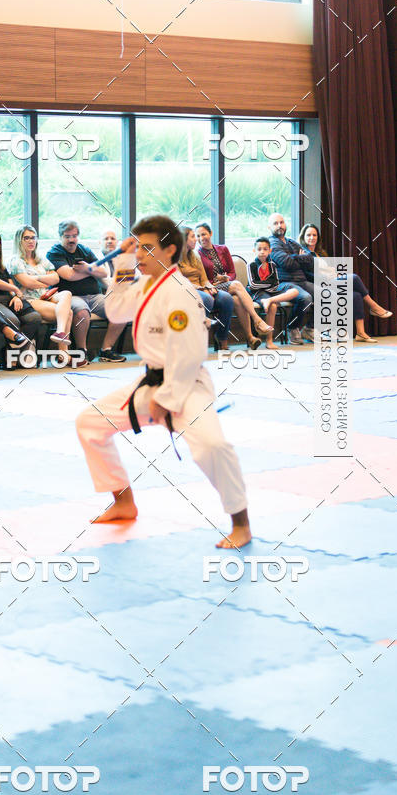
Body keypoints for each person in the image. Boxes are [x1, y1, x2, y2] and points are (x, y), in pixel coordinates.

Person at [75, 214, 252, 549]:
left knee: (213, 447)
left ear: (170, 250)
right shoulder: (145, 284)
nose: (140, 254)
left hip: (185, 386)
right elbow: (116, 311)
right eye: (138, 248)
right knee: (90, 423)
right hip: (151, 382)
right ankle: (123, 501)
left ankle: (240, 523)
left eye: (147, 248)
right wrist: (125, 261)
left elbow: (188, 354)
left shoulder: (180, 293)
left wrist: (167, 400)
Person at [47, 220, 126, 362]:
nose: (71, 240)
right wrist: (91, 270)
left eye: (74, 236)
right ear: (60, 237)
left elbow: (103, 272)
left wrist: (86, 268)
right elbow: (69, 275)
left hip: (95, 296)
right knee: (82, 312)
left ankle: (106, 350)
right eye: (67, 236)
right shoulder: (55, 252)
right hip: (71, 296)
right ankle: (81, 350)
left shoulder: (85, 250)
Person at [298, 223, 392, 343]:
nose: (312, 237)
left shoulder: (320, 253)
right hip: (321, 284)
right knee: (354, 278)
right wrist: (326, 277)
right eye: (309, 235)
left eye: (314, 235)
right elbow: (307, 274)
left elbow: (327, 269)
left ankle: (361, 333)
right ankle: (374, 306)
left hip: (332, 280)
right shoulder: (303, 253)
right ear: (303, 237)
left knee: (356, 295)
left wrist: (335, 275)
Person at [195, 222, 271, 350]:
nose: (201, 238)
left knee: (236, 299)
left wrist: (226, 278)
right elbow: (202, 278)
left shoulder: (223, 249)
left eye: (204, 234)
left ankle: (250, 337)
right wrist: (215, 282)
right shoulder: (198, 255)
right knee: (236, 285)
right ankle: (257, 320)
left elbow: (232, 272)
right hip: (212, 288)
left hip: (226, 284)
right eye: (198, 236)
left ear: (211, 233)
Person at [9, 225, 73, 349]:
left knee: (67, 293)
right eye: (26, 238)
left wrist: (35, 278)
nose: (31, 241)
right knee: (68, 313)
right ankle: (63, 352)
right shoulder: (15, 260)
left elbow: (56, 278)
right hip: (29, 299)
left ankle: (60, 332)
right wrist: (44, 280)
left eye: (33, 238)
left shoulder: (40, 259)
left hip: (45, 296)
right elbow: (27, 283)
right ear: (19, 241)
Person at [0, 230, 42, 353]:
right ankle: (12, 352)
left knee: (34, 317)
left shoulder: (1, 266)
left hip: (8, 299)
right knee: (13, 320)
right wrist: (14, 289)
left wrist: (16, 296)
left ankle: (12, 349)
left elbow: (11, 285)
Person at [179, 226, 234, 351]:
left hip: (202, 288)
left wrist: (209, 286)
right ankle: (196, 339)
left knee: (227, 298)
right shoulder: (174, 259)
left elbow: (204, 278)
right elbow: (180, 282)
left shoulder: (195, 256)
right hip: (187, 291)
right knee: (207, 299)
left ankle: (221, 337)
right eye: (193, 237)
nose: (196, 240)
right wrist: (203, 288)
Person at [267, 212, 315, 345]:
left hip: (302, 281)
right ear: (269, 227)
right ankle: (292, 328)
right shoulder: (271, 243)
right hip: (284, 283)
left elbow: (310, 259)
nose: (279, 226)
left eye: (281, 222)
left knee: (328, 295)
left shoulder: (291, 242)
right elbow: (286, 263)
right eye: (275, 223)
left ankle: (309, 328)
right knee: (305, 298)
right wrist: (299, 258)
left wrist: (294, 257)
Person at [248, 237, 300, 349]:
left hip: (272, 293)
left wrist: (268, 284)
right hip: (258, 293)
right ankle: (269, 340)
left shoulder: (272, 265)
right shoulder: (251, 265)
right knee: (272, 307)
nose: (262, 251)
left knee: (295, 291)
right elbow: (253, 285)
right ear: (254, 250)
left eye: (265, 249)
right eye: (259, 249)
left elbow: (276, 283)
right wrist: (269, 283)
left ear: (270, 251)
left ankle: (270, 300)